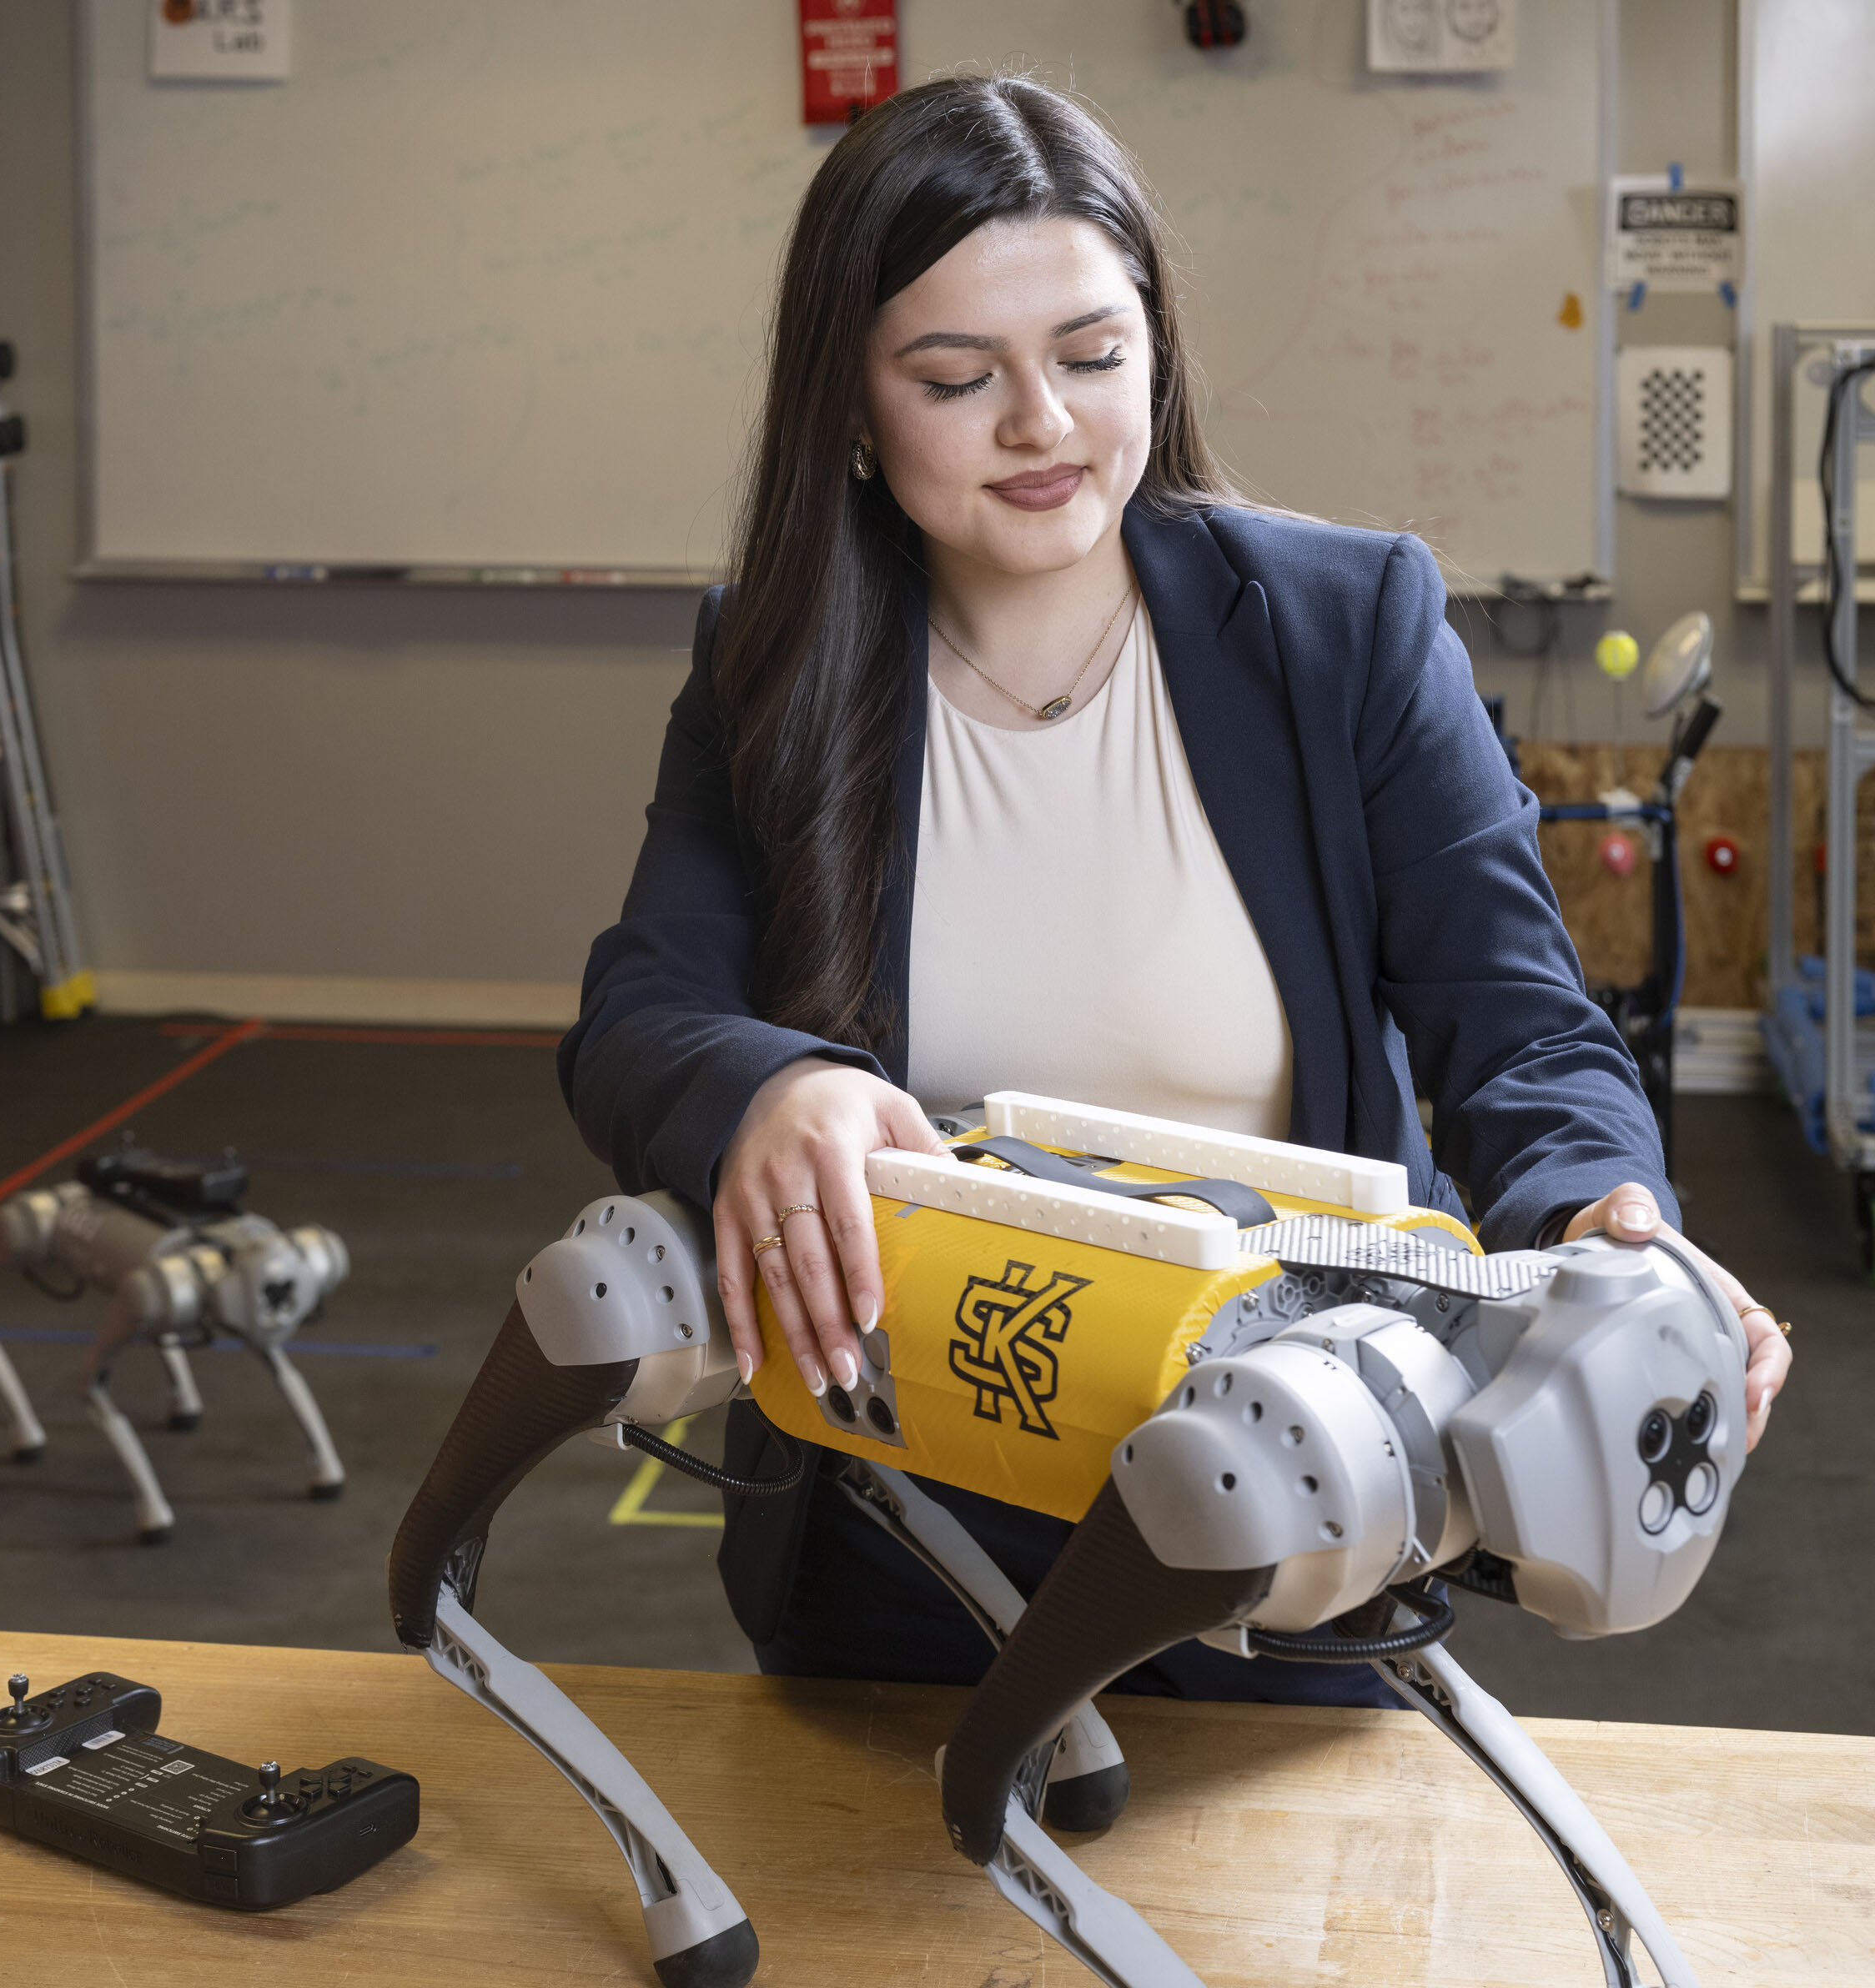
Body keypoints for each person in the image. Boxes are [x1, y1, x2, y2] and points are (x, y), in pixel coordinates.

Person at [557, 74, 1792, 1703]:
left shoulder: (1346, 626)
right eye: (956, 378)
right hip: (895, 1534)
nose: (1042, 424)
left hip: (1295, 1509)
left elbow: (1522, 1031)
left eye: (1090, 355)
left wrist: (1601, 1222)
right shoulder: (774, 660)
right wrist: (770, 1086)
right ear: (849, 399)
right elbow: (641, 1013)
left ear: (1156, 345)